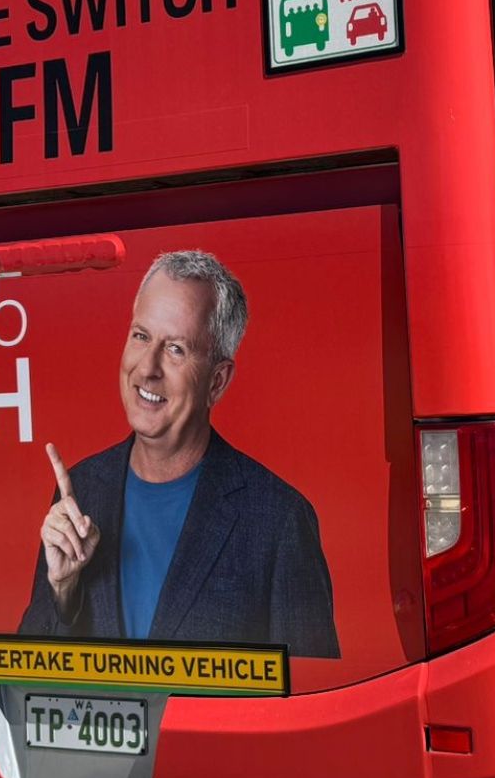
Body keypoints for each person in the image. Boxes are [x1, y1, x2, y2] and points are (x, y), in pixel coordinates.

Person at [18, 250, 340, 658]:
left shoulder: (279, 522)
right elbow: (30, 681)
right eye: (141, 336)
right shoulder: (81, 492)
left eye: (175, 350)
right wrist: (64, 591)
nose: (147, 367)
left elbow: (311, 702)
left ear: (217, 382)